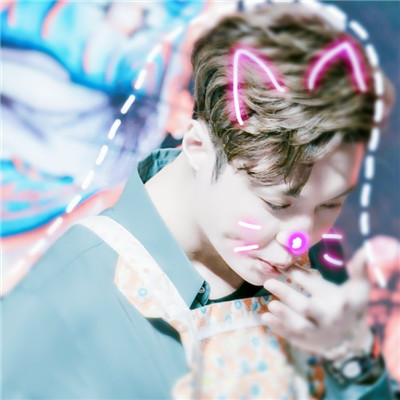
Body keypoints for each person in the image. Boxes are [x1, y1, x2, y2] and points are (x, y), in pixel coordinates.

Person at [2, 3, 395, 399]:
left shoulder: (325, 279)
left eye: (330, 205)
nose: (299, 241)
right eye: (276, 204)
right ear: (197, 147)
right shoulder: (50, 309)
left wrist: (353, 360)